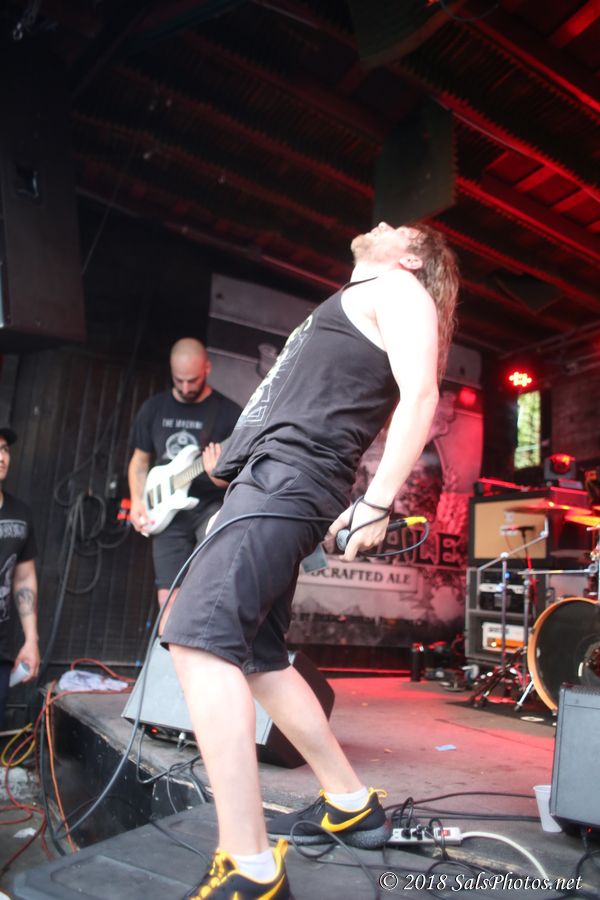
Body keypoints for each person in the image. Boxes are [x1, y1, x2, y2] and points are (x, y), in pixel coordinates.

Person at [162, 222, 460, 899]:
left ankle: (250, 867)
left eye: (398, 228)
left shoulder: (400, 288)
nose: (381, 224)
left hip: (289, 480)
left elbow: (421, 396)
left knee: (199, 641)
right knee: (259, 660)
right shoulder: (363, 296)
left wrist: (378, 503)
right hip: (275, 479)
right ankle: (351, 804)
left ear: (412, 257)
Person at [128, 339, 241, 624]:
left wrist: (218, 474)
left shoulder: (229, 414)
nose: (187, 387)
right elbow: (140, 461)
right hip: (167, 512)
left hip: (210, 508)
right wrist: (137, 501)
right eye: (180, 380)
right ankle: (168, 648)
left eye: (193, 380)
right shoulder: (153, 409)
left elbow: (237, 478)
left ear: (207, 369)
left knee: (209, 585)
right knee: (168, 598)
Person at [0, 427, 40, 731]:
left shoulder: (20, 513)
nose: (1, 457)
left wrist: (31, 640)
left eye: (4, 449)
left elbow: (24, 578)